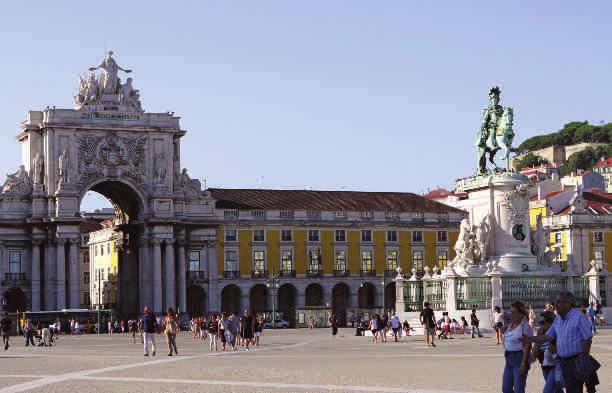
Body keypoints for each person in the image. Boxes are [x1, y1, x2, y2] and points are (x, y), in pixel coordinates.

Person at [522, 292, 595, 393]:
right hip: (562, 362)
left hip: (575, 360)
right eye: (556, 302)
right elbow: (547, 336)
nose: (556, 304)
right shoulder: (559, 320)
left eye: (559, 302)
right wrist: (529, 339)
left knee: (572, 389)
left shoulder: (579, 317)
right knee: (562, 387)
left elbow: (588, 339)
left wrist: (583, 359)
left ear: (568, 303)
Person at [501, 301, 532, 393]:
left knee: (519, 389)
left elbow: (528, 346)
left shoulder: (525, 326)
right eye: (510, 311)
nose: (511, 314)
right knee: (506, 389)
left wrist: (523, 364)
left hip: (519, 359)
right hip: (508, 359)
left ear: (521, 314)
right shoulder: (510, 326)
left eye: (514, 312)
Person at [530, 311, 563, 393]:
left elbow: (564, 352)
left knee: (548, 390)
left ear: (551, 322)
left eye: (543, 322)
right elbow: (534, 354)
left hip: (557, 368)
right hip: (545, 368)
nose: (541, 325)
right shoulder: (540, 333)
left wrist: (554, 349)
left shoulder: (558, 333)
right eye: (540, 322)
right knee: (557, 389)